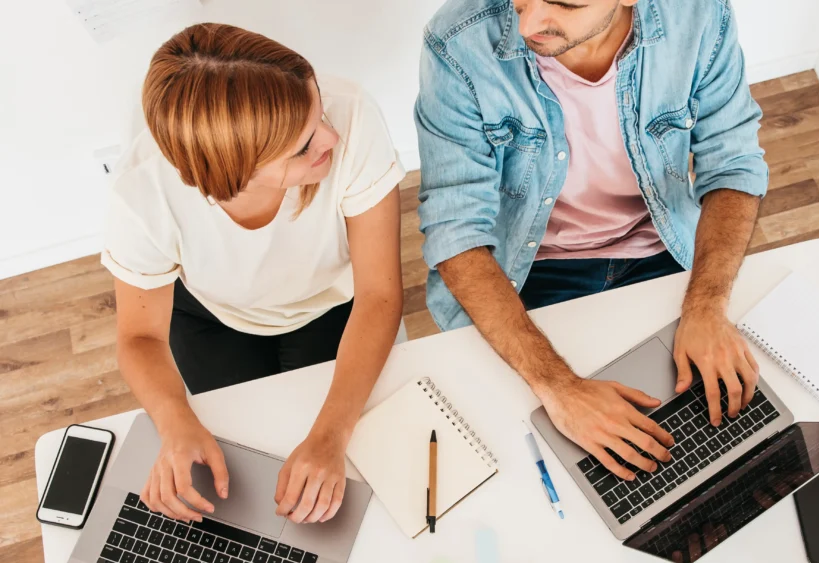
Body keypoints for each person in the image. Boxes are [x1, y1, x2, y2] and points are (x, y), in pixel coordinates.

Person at [415, 0, 768, 481]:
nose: (527, 24)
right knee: (534, 463)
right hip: (529, 270)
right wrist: (558, 387)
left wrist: (706, 305)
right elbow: (456, 230)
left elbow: (733, 164)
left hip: (664, 251)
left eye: (564, 4)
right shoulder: (457, 42)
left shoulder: (700, 16)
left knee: (727, 447)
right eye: (521, 0)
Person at [104, 24, 404, 525]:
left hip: (337, 302)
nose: (330, 137)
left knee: (353, 456)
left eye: (319, 114)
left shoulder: (352, 114)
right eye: (303, 146)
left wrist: (330, 434)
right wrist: (174, 422)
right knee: (239, 469)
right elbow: (138, 334)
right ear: (233, 174)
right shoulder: (142, 193)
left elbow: (379, 294)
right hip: (213, 316)